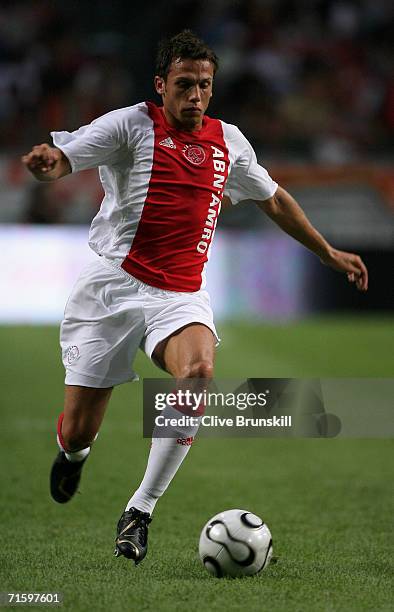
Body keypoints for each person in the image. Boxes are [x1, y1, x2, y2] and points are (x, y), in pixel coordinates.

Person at [21, 30, 368, 566]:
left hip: (178, 294)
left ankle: (140, 511)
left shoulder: (230, 142)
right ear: (161, 84)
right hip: (110, 289)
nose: (196, 95)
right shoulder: (129, 125)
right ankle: (73, 453)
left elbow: (273, 200)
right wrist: (51, 161)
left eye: (205, 85)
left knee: (199, 371)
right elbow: (68, 155)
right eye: (185, 84)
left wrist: (326, 252)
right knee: (79, 427)